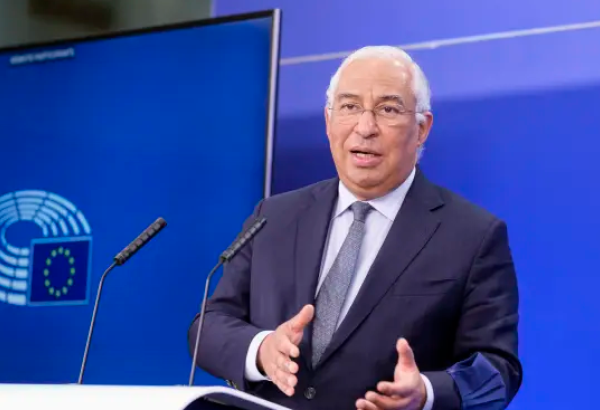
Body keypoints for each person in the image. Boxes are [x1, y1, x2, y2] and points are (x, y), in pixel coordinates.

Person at [188, 45, 522, 410]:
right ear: (328, 120)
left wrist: (427, 392)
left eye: (388, 109)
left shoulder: (472, 235)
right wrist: (262, 349)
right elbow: (209, 325)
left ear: (422, 128)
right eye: (349, 107)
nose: (365, 128)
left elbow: (497, 370)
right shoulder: (273, 216)